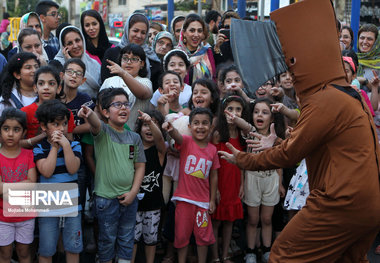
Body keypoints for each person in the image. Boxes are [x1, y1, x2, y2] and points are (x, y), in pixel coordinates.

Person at [219, 0, 380, 261]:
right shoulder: (350, 93)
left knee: (283, 255)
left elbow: (289, 155)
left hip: (341, 203)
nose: (290, 71)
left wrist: (243, 159)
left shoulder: (325, 99)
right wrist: (285, 141)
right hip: (369, 204)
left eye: (292, 62)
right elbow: (327, 141)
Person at [78, 88, 146, 263]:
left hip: (129, 199)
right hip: (106, 200)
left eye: (126, 104)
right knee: (107, 241)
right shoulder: (103, 132)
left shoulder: (135, 137)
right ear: (105, 112)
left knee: (126, 240)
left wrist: (133, 192)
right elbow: (94, 122)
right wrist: (88, 113)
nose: (123, 108)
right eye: (117, 104)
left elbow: (139, 166)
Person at [162, 107, 220, 263]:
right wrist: (171, 129)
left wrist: (212, 199)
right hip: (184, 200)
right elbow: (177, 137)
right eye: (196, 123)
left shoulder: (213, 150)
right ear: (190, 127)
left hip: (202, 203)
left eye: (205, 123)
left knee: (203, 236)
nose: (200, 127)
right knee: (181, 235)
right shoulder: (186, 142)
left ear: (211, 127)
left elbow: (214, 175)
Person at [33, 100, 82, 263]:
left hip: (72, 205)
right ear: (44, 126)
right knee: (46, 249)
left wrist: (66, 145)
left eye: (63, 123)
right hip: (48, 206)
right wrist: (54, 147)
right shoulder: (40, 148)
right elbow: (46, 171)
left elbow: (73, 168)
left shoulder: (74, 145)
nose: (61, 128)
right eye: (55, 124)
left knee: (73, 247)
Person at [211, 94, 247, 263]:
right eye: (230, 109)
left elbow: (242, 162)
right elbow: (214, 164)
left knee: (229, 221)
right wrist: (215, 189)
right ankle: (215, 256)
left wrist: (242, 185)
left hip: (234, 183)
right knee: (216, 221)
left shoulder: (241, 135)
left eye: (238, 109)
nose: (234, 113)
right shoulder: (218, 134)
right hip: (220, 182)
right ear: (223, 111)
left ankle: (225, 254)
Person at [0, 108, 37, 263]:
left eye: (16, 129)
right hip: (2, 217)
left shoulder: (29, 154)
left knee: (23, 253)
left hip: (26, 215)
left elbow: (32, 184)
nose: (10, 134)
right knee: (5, 254)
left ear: (23, 132)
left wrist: (6, 188)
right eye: (6, 128)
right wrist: (22, 186)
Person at [132, 110, 166, 263]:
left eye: (153, 125)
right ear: (139, 128)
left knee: (151, 240)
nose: (149, 128)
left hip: (153, 205)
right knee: (131, 239)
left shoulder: (160, 151)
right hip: (133, 203)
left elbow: (159, 138)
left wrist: (151, 123)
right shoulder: (133, 148)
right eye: (145, 125)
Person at [101, 13, 161, 91]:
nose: (139, 36)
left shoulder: (151, 57)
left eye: (143, 32)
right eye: (135, 31)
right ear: (127, 30)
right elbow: (106, 83)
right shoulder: (112, 54)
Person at [100, 43, 152, 130]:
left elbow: (143, 94)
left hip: (134, 135)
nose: (128, 62)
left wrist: (123, 73)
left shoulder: (145, 81)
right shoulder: (109, 81)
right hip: (109, 132)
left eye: (134, 59)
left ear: (142, 64)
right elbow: (99, 106)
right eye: (125, 58)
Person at [21, 66, 75, 145]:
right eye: (41, 83)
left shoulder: (67, 113)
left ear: (58, 88)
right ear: (35, 88)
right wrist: (44, 135)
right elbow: (16, 144)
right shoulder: (25, 112)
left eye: (51, 83)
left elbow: (70, 142)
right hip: (31, 155)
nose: (46, 87)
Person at [54, 25, 101, 99]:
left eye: (77, 40)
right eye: (69, 43)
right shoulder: (58, 65)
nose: (75, 46)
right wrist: (70, 62)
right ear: (63, 47)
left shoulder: (94, 64)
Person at [176, 14, 215, 86]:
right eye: (192, 30)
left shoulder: (207, 52)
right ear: (184, 33)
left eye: (199, 31)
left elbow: (214, 79)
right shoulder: (177, 54)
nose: (196, 35)